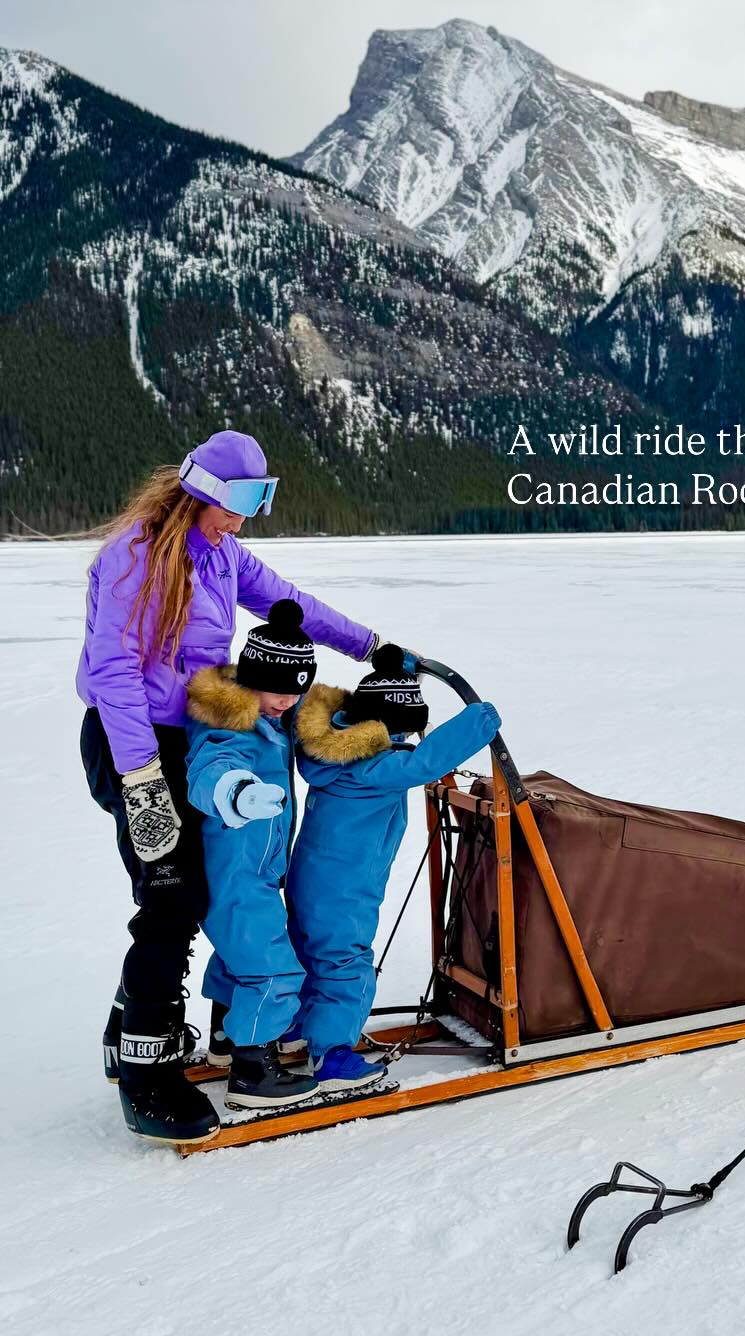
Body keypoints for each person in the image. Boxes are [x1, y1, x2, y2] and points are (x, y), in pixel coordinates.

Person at [77, 431, 393, 1144]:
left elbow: (287, 602)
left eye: (261, 501)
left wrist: (370, 645)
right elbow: (114, 675)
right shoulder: (138, 554)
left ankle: (125, 1020)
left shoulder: (220, 553)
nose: (246, 517)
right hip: (132, 741)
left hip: (189, 737)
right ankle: (145, 1070)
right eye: (240, 501)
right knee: (172, 894)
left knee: (191, 885)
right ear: (202, 490)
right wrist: (142, 780)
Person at [287, 648, 500, 1093]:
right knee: (346, 962)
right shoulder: (377, 768)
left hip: (308, 881)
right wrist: (479, 720)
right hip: (348, 889)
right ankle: (332, 1055)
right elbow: (425, 762)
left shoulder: (331, 755)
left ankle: (293, 1032)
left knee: (310, 953)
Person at [184, 601, 325, 1113]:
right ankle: (253, 1068)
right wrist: (235, 792)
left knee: (239, 956)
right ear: (251, 678)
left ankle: (225, 1037)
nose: (286, 700)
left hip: (260, 870)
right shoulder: (230, 720)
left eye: (296, 689)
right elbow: (211, 763)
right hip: (235, 873)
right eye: (278, 689)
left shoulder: (276, 716)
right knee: (271, 969)